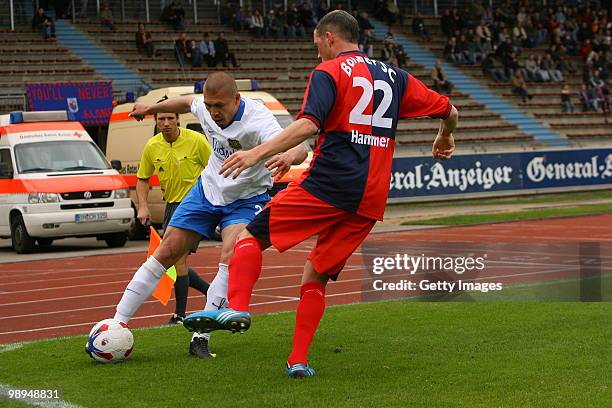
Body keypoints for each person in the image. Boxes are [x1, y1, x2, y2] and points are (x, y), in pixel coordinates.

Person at [183, 10, 458, 377]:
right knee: (315, 276)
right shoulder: (396, 77)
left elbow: (308, 124)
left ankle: (238, 307)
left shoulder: (328, 73)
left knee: (250, 237)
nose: (316, 53)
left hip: (329, 184)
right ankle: (298, 361)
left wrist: (256, 153)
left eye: (316, 44)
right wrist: (445, 134)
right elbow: (450, 109)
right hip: (371, 197)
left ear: (330, 37)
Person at [114, 71, 308, 358]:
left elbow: (301, 147)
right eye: (210, 105)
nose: (213, 112)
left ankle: (200, 337)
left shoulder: (259, 120)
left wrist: (288, 157)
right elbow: (184, 103)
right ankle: (115, 323)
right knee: (167, 250)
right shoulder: (204, 106)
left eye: (220, 106)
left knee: (231, 254)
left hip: (246, 197)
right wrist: (149, 108)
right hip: (207, 190)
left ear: (236, 99)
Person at [136, 101, 212, 324]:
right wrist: (143, 205)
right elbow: (142, 179)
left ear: (178, 118)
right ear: (155, 121)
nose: (166, 123)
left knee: (177, 260)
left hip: (195, 204)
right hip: (171, 206)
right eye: (161, 119)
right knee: (173, 260)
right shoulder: (152, 146)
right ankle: (213, 293)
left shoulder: (196, 141)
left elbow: (215, 169)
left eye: (170, 118)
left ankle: (180, 315)